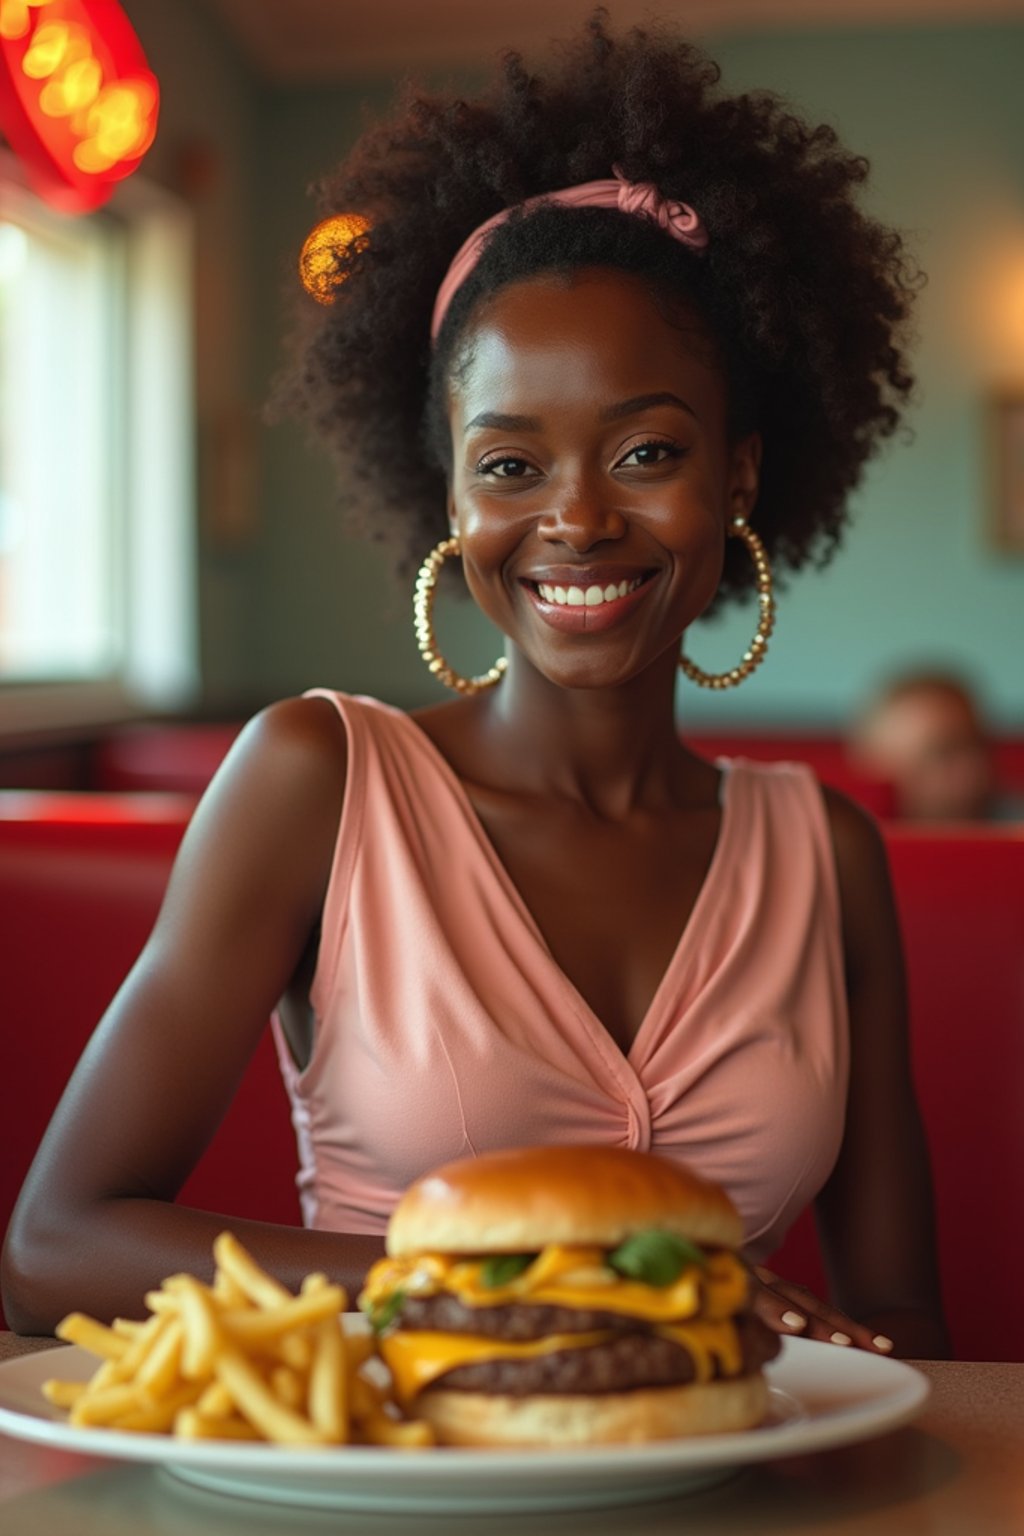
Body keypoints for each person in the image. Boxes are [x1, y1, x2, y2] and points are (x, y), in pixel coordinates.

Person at [1, 13, 949, 1360]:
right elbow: (53, 1247)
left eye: (645, 452)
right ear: (446, 491)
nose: (576, 520)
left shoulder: (831, 857)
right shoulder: (315, 783)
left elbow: (907, 1324)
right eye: (511, 465)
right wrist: (532, 1287)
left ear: (737, 474)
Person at [850, 669, 1024, 822]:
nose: (975, 772)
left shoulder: (1014, 821)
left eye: (980, 745)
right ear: (874, 765)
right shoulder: (848, 843)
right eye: (942, 754)